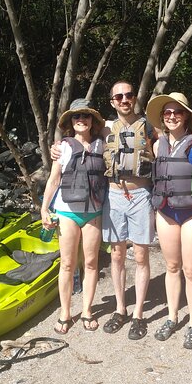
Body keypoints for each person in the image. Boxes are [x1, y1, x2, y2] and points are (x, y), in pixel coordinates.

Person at [51, 81, 157, 340]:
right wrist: (57, 146)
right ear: (112, 101)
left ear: (134, 98)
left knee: (141, 256)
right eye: (118, 96)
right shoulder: (106, 128)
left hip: (140, 194)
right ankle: (120, 309)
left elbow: (172, 137)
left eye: (128, 95)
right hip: (113, 195)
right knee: (118, 255)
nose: (124, 99)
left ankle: (139, 314)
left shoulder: (150, 126)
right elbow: (77, 139)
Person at [41, 99, 108, 334]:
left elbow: (120, 125)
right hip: (67, 212)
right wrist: (44, 208)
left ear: (93, 121)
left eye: (86, 116)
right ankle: (65, 312)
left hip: (94, 212)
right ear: (71, 121)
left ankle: (87, 310)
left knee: (91, 264)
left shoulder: (104, 144)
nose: (81, 120)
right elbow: (54, 179)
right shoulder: (64, 146)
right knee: (67, 264)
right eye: (76, 117)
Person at [145, 92, 192, 349]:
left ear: (187, 116)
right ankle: (172, 316)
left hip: (191, 213)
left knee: (191, 270)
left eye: (177, 112)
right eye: (167, 113)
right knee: (171, 267)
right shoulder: (157, 145)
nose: (172, 116)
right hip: (166, 211)